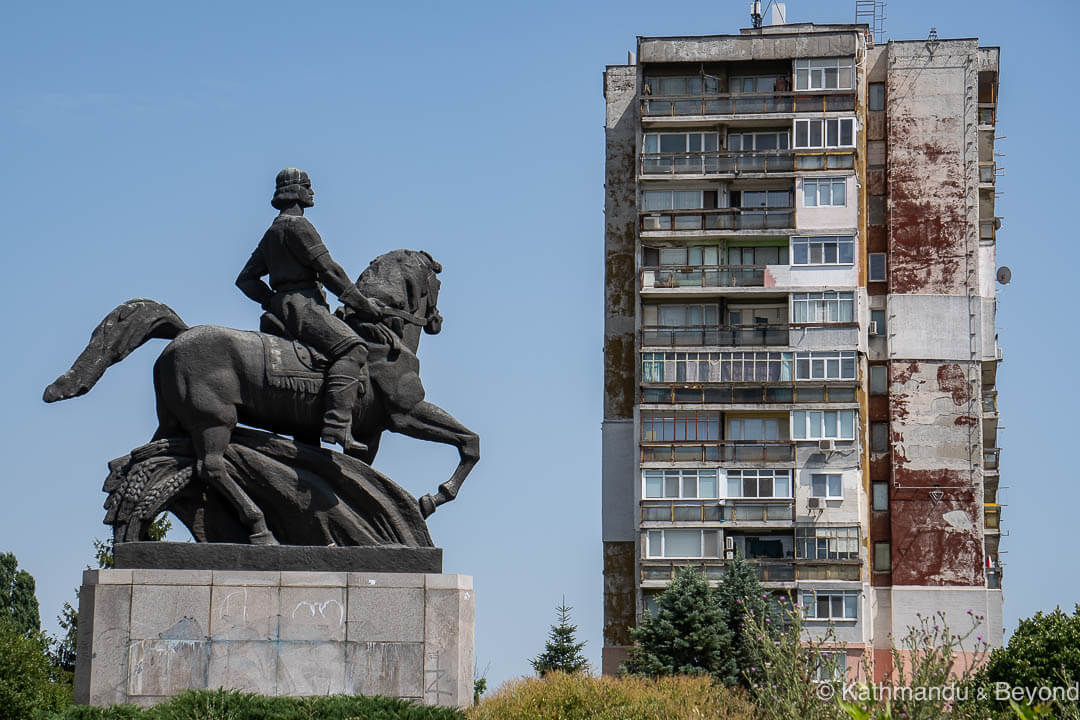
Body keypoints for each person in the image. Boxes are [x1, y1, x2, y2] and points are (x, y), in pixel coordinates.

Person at [236, 168, 381, 454]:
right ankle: (337, 425)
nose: (312, 192)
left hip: (282, 308)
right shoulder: (299, 226)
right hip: (305, 307)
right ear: (295, 191)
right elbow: (329, 270)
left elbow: (245, 280)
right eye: (308, 186)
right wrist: (362, 303)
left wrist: (272, 301)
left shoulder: (272, 232)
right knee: (354, 350)